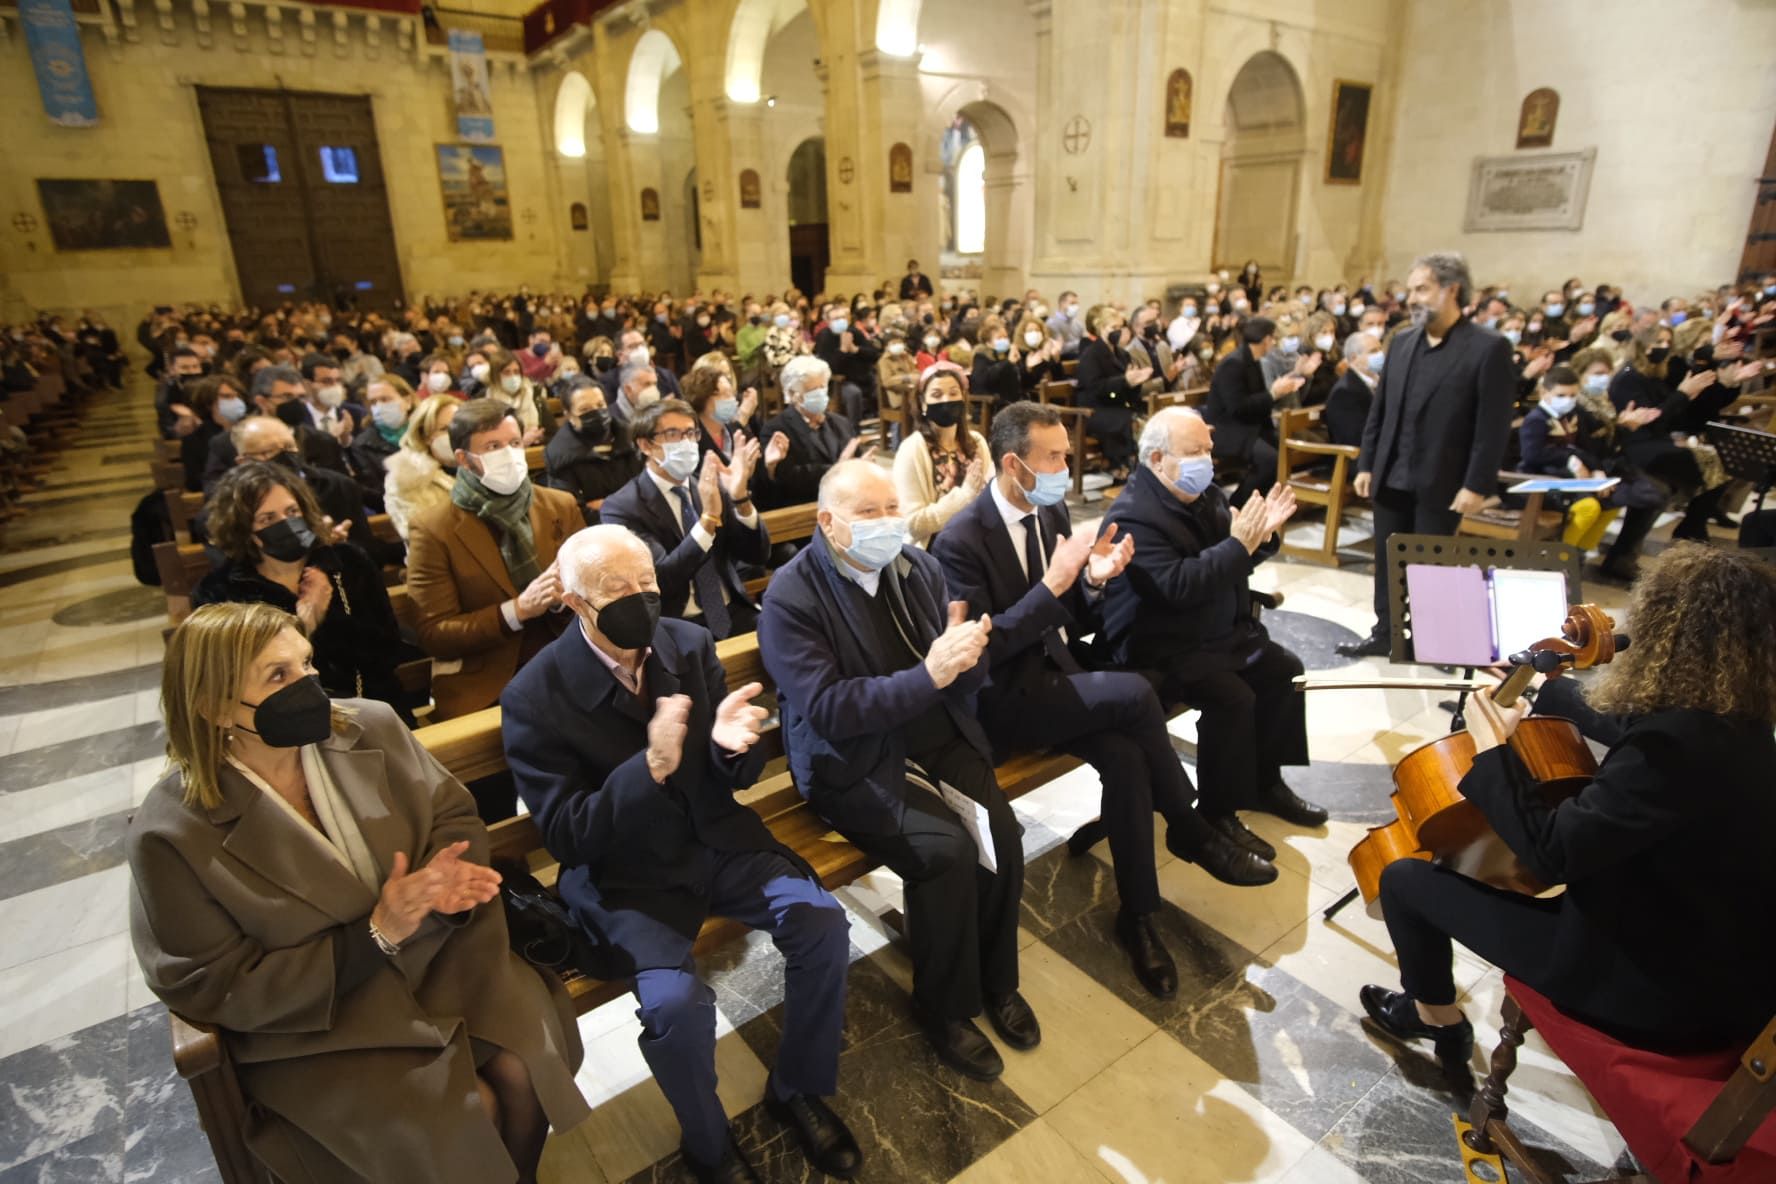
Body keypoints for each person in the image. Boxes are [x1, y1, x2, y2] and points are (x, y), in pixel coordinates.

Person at [128, 602, 590, 1184]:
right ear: (215, 706)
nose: (310, 687)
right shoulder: (171, 833)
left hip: (444, 955)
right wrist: (375, 934)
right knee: (465, 1114)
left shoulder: (368, 725)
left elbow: (451, 814)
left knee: (526, 1067)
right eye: (279, 675)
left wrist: (444, 887)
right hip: (322, 1025)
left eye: (307, 664)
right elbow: (208, 983)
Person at [501, 527, 861, 1184]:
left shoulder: (687, 644)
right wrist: (650, 767)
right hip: (628, 877)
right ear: (577, 604)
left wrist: (730, 746)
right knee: (674, 1008)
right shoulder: (535, 696)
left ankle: (797, 1088)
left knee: (822, 921)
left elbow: (738, 773)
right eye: (618, 590)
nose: (640, 598)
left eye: (646, 583)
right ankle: (709, 1143)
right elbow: (568, 837)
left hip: (716, 841)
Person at [1363, 544, 1776, 1067]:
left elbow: (1551, 855)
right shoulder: (1743, 722)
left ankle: (1433, 1018)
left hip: (1654, 988)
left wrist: (1493, 748)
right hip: (1718, 955)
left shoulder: (1667, 754)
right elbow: (1641, 729)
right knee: (1558, 720)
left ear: (1664, 630)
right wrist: (1542, 696)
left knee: (1403, 880)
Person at [931, 404, 1276, 994]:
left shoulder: (1051, 509)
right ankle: (1189, 828)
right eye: (1056, 457)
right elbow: (979, 654)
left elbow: (1072, 617)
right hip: (1003, 699)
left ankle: (1138, 916)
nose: (1068, 466)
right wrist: (1054, 585)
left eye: (1067, 453)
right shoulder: (959, 540)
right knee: (1138, 692)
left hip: (1057, 676)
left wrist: (1093, 581)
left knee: (1126, 756)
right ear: (1014, 465)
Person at [759, 460, 1036, 1083]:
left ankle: (998, 980)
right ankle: (945, 1006)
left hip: (930, 731)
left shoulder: (918, 567)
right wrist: (932, 674)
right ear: (829, 524)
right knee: (944, 853)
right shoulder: (791, 596)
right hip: (851, 757)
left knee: (1002, 834)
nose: (890, 523)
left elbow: (956, 673)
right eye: (870, 513)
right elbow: (828, 709)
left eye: (893, 509)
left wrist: (966, 658)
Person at [1100, 407, 1326, 856]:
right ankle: (1217, 813)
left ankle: (1266, 782)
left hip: (1211, 632)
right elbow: (1178, 587)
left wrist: (1260, 538)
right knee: (1233, 697)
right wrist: (1240, 544)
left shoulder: (1204, 496)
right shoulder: (1135, 515)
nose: (1208, 459)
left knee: (1284, 668)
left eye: (1208, 448)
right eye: (1195, 451)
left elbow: (1232, 560)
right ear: (1159, 459)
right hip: (1160, 644)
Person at [1341, 252, 1514, 658]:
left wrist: (1476, 484)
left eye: (1422, 289)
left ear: (1451, 290)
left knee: (1431, 566)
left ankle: (1430, 641)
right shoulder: (1401, 342)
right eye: (1411, 290)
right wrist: (1366, 463)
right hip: (1392, 472)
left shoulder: (1488, 348)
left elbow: (1492, 426)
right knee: (1387, 560)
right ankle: (1385, 632)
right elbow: (1379, 411)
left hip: (1443, 477)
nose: (1412, 298)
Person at [404, 399, 582, 725]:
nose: (509, 454)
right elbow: (435, 633)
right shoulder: (433, 528)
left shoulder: (559, 505)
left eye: (514, 443)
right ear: (464, 460)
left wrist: (561, 600)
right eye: (493, 446)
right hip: (491, 677)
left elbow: (593, 585)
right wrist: (517, 611)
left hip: (567, 654)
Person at [193, 461, 411, 720]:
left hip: (373, 705)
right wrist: (305, 625)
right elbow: (241, 681)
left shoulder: (346, 562)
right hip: (287, 721)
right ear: (245, 530)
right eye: (267, 518)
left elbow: (388, 648)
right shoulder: (222, 592)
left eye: (292, 511)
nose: (286, 523)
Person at [599, 399, 770, 639]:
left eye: (691, 433)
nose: (686, 442)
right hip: (676, 624)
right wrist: (708, 520)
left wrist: (741, 499)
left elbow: (757, 556)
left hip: (731, 610)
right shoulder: (622, 508)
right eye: (673, 434)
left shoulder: (709, 485)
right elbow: (662, 580)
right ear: (646, 445)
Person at [1205, 317, 1315, 507]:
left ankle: (1261, 505)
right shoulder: (1233, 364)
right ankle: (1237, 505)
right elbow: (1237, 408)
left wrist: (1284, 385)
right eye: (1273, 338)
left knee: (1283, 452)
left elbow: (1258, 399)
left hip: (1249, 425)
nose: (1274, 343)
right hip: (1228, 429)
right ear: (1266, 340)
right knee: (1269, 460)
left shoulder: (1252, 360)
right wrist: (1273, 393)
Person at [893, 362, 989, 547]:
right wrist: (964, 496)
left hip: (977, 542)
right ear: (923, 403)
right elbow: (912, 524)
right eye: (937, 395)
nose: (946, 400)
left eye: (953, 393)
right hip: (935, 548)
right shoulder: (912, 449)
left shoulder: (976, 442)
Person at [755, 356, 868, 509]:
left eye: (823, 387)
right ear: (792, 394)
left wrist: (864, 466)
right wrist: (838, 469)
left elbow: (855, 459)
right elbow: (790, 477)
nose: (820, 394)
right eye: (812, 390)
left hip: (845, 504)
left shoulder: (841, 423)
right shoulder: (776, 429)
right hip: (804, 508)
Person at [543, 380, 641, 525]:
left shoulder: (633, 438)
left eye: (600, 405)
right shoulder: (559, 455)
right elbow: (573, 510)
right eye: (585, 410)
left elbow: (649, 490)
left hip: (642, 520)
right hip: (597, 530)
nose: (596, 412)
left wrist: (608, 504)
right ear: (570, 416)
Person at [1073, 305, 1150, 478]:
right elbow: (1095, 388)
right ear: (1101, 329)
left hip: (1114, 407)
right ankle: (1121, 467)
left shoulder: (1122, 354)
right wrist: (1124, 381)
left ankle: (1136, 468)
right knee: (1125, 421)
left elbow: (1127, 389)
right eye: (1112, 328)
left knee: (1143, 418)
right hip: (1092, 411)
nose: (1117, 331)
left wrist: (1134, 383)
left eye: (1119, 327)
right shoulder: (1091, 354)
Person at [384, 393, 462, 542]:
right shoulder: (405, 479)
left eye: (459, 428)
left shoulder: (476, 465)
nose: (455, 435)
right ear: (424, 435)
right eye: (445, 429)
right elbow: (423, 536)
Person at [347, 374, 416, 508]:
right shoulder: (362, 445)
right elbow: (373, 492)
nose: (379, 407)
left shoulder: (425, 431)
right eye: (373, 402)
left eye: (385, 399)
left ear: (407, 401)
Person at [180, 374, 249, 492]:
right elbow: (194, 483)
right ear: (209, 402)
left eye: (237, 396)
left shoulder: (255, 428)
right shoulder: (195, 439)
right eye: (227, 397)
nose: (235, 401)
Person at [1324, 331, 1382, 448]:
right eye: (1373, 351)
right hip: (1361, 459)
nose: (1380, 354)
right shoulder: (1345, 393)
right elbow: (1355, 438)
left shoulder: (1379, 381)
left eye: (1380, 349)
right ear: (1355, 358)